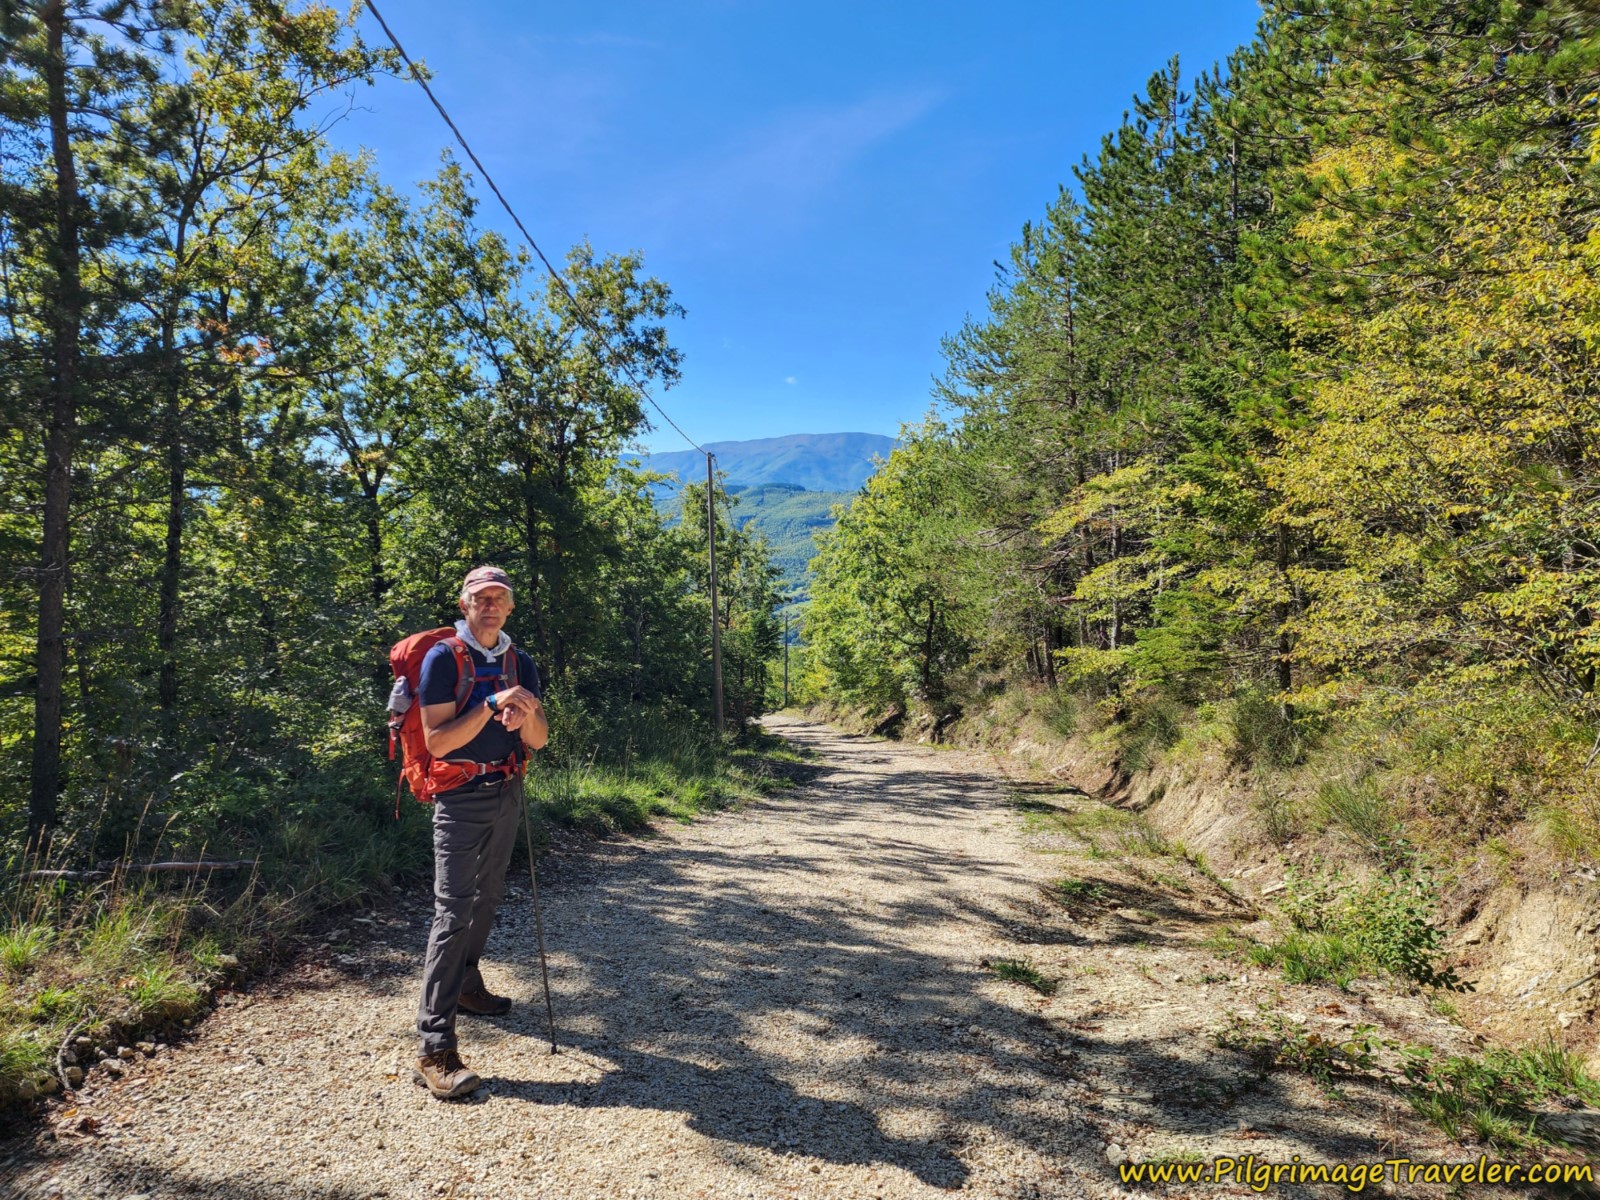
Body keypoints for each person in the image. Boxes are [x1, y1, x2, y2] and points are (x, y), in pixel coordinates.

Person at [413, 565, 549, 1099]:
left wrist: (524, 717)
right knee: (453, 911)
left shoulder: (521, 662)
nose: (489, 605)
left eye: (499, 597)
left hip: (507, 791)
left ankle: (467, 983)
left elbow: (539, 738)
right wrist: (491, 705)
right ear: (465, 604)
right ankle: (434, 1046)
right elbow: (439, 741)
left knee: (488, 897)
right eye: (480, 598)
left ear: (509, 606)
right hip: (459, 796)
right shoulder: (444, 659)